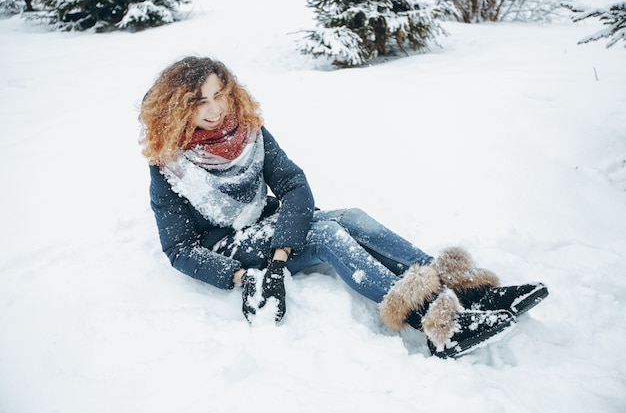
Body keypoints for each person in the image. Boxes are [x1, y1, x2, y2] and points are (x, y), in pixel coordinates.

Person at [138, 56, 548, 359]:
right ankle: (436, 324)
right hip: (229, 245)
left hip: (266, 226)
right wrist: (243, 275)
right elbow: (180, 250)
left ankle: (466, 289)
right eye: (199, 101)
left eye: (219, 95)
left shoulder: (248, 131)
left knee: (349, 217)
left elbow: (293, 183)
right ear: (178, 107)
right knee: (326, 235)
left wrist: (281, 251)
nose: (215, 109)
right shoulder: (169, 164)